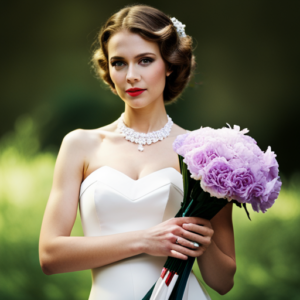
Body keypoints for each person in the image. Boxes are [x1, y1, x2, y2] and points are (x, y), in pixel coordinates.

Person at [39, 4, 236, 300]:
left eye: (145, 60)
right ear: (108, 68)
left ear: (169, 64)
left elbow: (222, 282)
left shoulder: (204, 154)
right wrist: (146, 240)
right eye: (119, 63)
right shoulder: (81, 145)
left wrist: (201, 243)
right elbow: (50, 255)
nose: (131, 75)